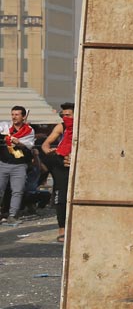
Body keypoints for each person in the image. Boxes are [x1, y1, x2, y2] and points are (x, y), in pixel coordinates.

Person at [41, 103, 74, 241]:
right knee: (61, 196)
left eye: (68, 115)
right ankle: (62, 229)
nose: (65, 117)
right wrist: (48, 150)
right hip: (61, 163)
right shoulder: (61, 126)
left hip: (77, 163)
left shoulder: (83, 126)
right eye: (63, 115)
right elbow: (45, 144)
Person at [0, 106, 35, 225]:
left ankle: (12, 215)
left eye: (17, 114)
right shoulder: (5, 126)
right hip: (3, 163)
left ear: (23, 116)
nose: (14, 117)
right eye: (13, 114)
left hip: (19, 165)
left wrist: (18, 143)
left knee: (17, 191)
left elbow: (28, 146)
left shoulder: (29, 130)